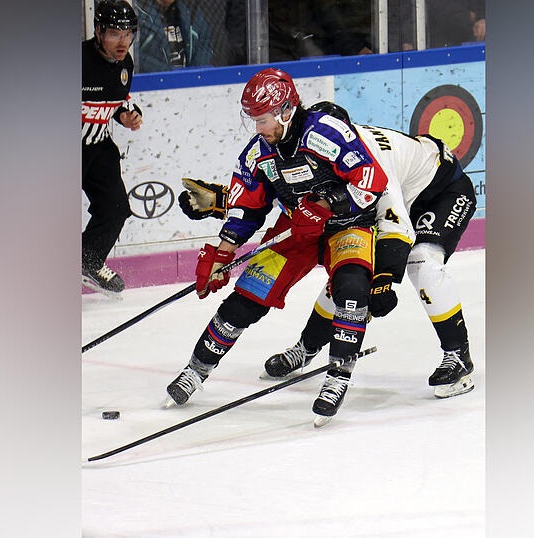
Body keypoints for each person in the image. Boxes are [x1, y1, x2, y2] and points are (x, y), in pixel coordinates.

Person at [180, 102, 478, 398]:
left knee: (422, 262)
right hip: (395, 195)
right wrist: (224, 202)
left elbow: (395, 224)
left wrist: (385, 278)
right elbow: (295, 191)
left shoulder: (367, 158)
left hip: (439, 194)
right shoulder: (326, 148)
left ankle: (458, 356)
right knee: (346, 279)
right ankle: (307, 348)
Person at [165, 69, 388, 426]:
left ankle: (338, 376)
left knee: (351, 288)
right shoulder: (259, 152)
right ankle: (196, 370)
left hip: (347, 224)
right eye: (254, 119)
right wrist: (222, 253)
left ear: (286, 110)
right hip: (295, 228)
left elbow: (372, 179)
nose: (258, 128)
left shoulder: (325, 132)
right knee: (247, 297)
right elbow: (246, 206)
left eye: (263, 119)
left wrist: (327, 204)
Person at [82, 0, 143, 296]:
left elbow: (119, 100)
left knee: (116, 208)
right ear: (99, 32)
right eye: (115, 34)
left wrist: (128, 115)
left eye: (128, 34)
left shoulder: (125, 63)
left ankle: (88, 258)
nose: (123, 42)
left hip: (99, 147)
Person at [133, 0, 213, 72]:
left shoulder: (190, 10)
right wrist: (169, 74)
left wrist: (192, 75)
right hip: (153, 81)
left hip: (189, 81)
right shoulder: (137, 13)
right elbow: (134, 56)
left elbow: (204, 43)